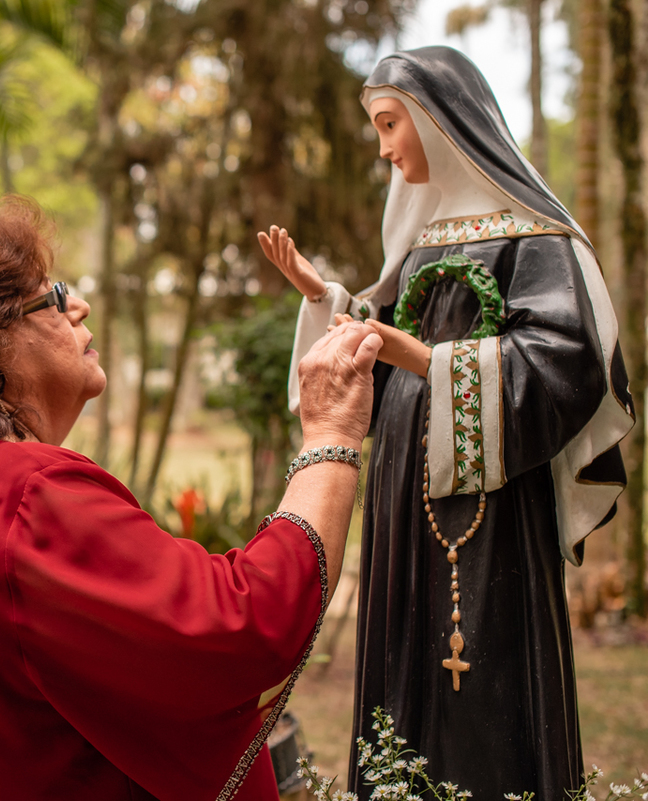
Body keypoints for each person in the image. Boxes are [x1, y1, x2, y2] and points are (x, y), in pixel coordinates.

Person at [0, 198, 383, 801]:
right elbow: (241, 626)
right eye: (51, 298)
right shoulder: (19, 497)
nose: (77, 306)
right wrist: (331, 432)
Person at [258, 46, 634, 798]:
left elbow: (565, 362)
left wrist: (429, 361)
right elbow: (382, 341)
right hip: (403, 496)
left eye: (389, 124)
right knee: (404, 662)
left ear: (438, 119)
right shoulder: (424, 244)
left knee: (484, 681)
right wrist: (324, 299)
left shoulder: (535, 240)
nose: (383, 148)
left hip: (493, 515)